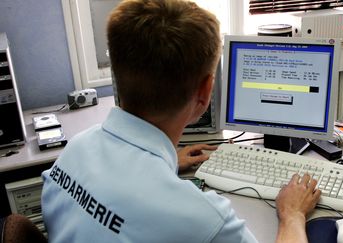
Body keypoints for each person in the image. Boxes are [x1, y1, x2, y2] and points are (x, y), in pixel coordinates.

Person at [41, 0, 321, 242]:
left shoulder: (74, 150)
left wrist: (167, 161)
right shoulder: (204, 219)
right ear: (205, 91)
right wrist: (292, 214)